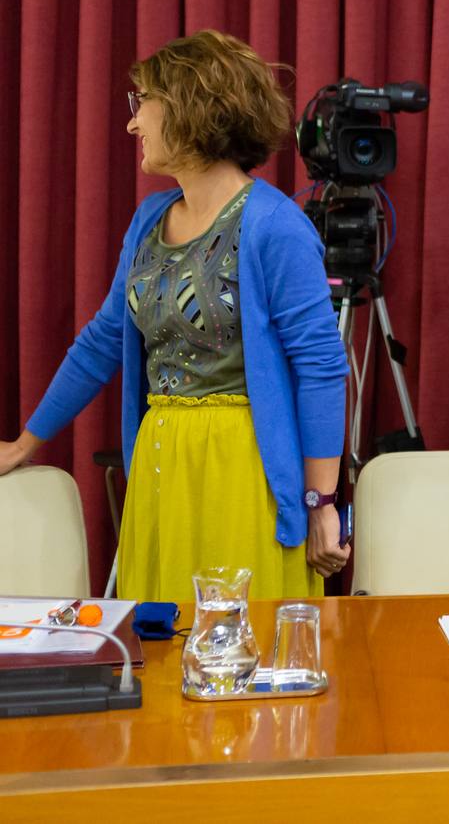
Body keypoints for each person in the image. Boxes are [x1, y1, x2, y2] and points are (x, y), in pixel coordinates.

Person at [0, 30, 349, 602]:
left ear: (191, 108)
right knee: (160, 658)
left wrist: (321, 503)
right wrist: (24, 443)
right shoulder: (149, 218)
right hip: (160, 463)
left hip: (244, 470)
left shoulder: (276, 226)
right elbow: (102, 340)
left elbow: (320, 367)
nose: (133, 124)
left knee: (241, 657)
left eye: (144, 104)